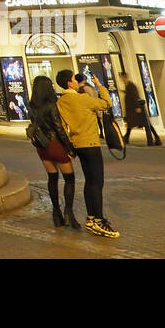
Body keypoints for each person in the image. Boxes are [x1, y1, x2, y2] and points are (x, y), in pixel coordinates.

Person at [55, 69, 119, 239]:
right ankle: (99, 220)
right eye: (74, 80)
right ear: (69, 83)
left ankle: (91, 217)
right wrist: (99, 85)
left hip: (77, 145)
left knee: (89, 181)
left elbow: (61, 127)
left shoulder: (61, 102)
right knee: (97, 182)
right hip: (90, 143)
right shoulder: (82, 99)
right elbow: (106, 103)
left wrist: (69, 147)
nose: (77, 82)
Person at [26, 75, 80, 229]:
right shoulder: (51, 105)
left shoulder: (31, 106)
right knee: (69, 178)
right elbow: (59, 128)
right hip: (55, 144)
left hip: (41, 146)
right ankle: (68, 212)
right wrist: (69, 147)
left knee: (52, 178)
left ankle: (56, 214)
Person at [120, 72, 161, 146]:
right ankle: (126, 138)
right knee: (132, 124)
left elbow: (135, 96)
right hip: (133, 110)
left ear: (125, 77)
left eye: (122, 78)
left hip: (136, 109)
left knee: (146, 124)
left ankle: (155, 139)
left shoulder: (131, 86)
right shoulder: (128, 86)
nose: (122, 80)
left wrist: (138, 107)